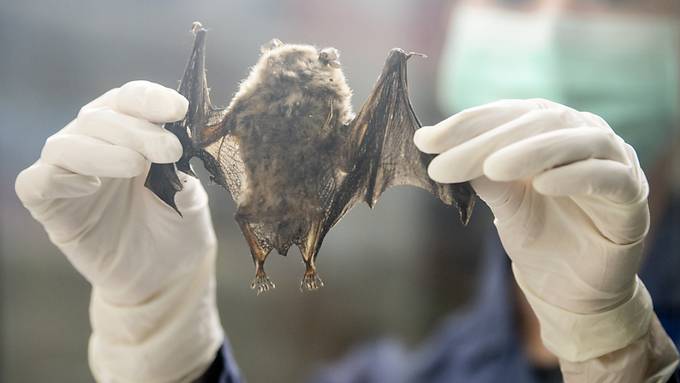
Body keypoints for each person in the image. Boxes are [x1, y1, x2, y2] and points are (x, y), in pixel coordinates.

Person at [14, 1, 680, 382]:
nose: (554, 25)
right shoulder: (411, 372)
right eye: (511, 1)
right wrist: (162, 344)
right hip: (269, 200)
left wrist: (620, 355)